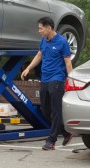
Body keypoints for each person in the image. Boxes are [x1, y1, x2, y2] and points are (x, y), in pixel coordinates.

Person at [21, 16, 74, 151]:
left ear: (49, 28)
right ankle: (66, 132)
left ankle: (51, 141)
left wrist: (71, 79)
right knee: (45, 109)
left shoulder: (62, 42)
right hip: (45, 78)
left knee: (56, 111)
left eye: (40, 28)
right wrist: (28, 68)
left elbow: (68, 62)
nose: (39, 31)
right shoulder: (44, 41)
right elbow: (39, 55)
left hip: (57, 78)